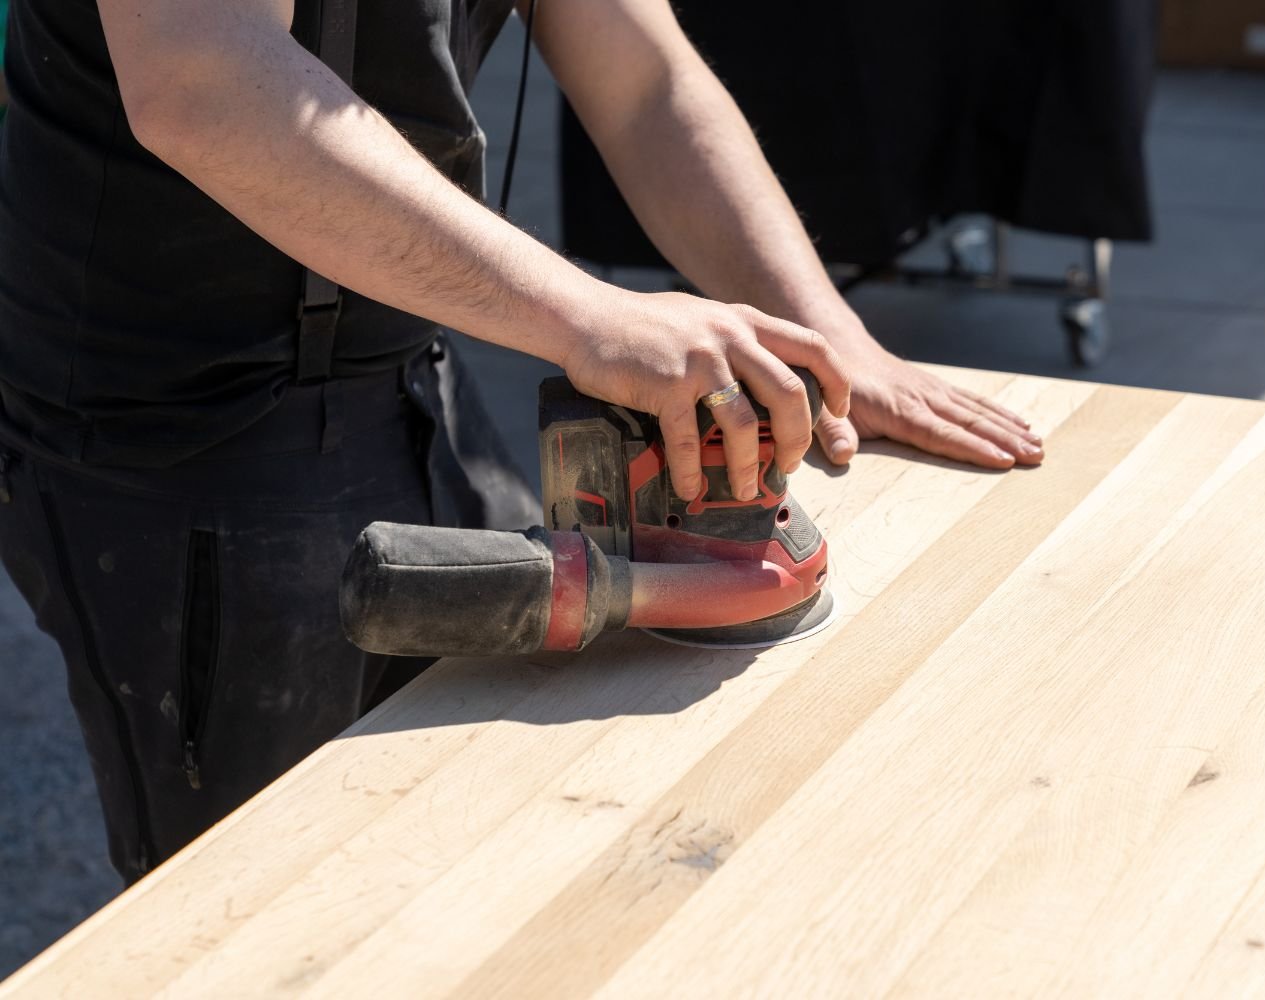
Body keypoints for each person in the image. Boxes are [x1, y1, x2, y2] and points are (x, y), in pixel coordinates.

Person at [0, 0, 1044, 882]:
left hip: (406, 373)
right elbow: (203, 77)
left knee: (473, 845)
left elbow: (644, 78)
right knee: (266, 906)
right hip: (182, 426)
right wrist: (594, 318)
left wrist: (837, 343)